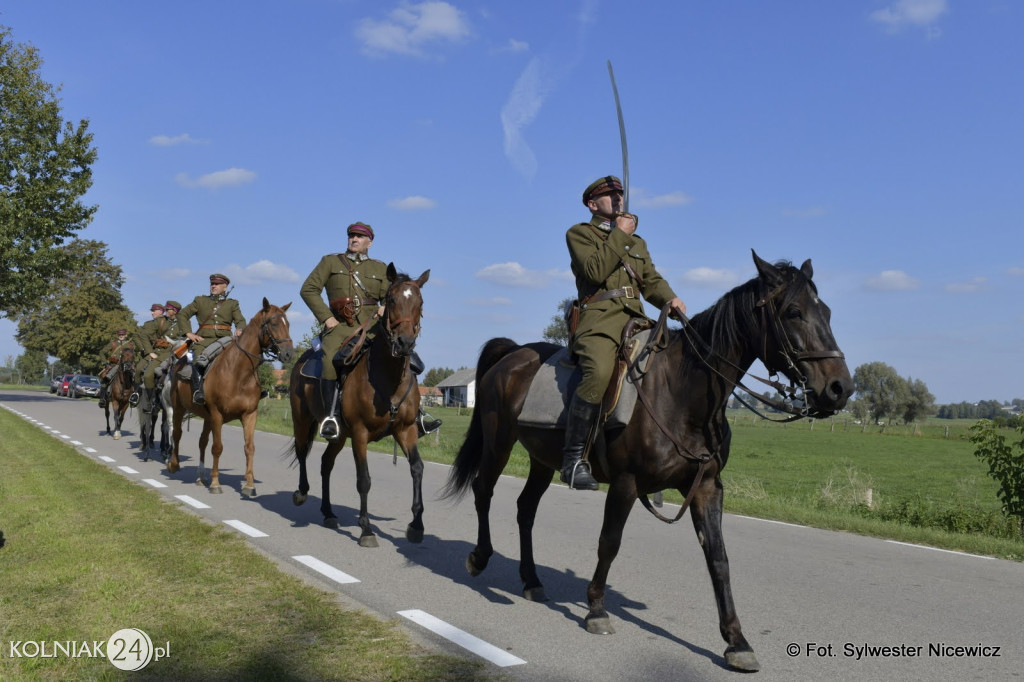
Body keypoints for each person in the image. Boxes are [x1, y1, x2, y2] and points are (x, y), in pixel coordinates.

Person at [562, 175, 687, 490]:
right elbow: (594, 271)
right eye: (610, 195)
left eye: (620, 194)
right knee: (599, 373)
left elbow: (650, 280)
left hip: (638, 320)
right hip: (599, 321)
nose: (619, 198)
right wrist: (619, 234)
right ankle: (573, 459)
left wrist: (669, 298)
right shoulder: (580, 233)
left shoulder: (637, 241)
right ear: (593, 204)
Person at [300, 221, 441, 440]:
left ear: (369, 242)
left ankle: (416, 415)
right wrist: (326, 318)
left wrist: (385, 306)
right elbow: (308, 289)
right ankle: (330, 417)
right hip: (340, 326)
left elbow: (392, 293)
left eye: (359, 236)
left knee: (406, 356)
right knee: (329, 360)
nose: (354, 239)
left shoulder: (379, 268)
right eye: (351, 236)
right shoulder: (330, 262)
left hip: (372, 325)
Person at [180, 274, 246, 405]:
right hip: (203, 340)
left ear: (225, 287)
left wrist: (240, 328)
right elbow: (182, 314)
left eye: (216, 284)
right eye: (212, 284)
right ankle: (198, 392)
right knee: (196, 360)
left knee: (245, 358)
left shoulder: (232, 303)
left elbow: (240, 320)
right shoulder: (200, 301)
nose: (213, 286)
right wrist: (189, 333)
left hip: (226, 340)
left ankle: (249, 390)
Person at [137, 300, 192, 409]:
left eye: (168, 309)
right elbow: (143, 334)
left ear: (175, 311)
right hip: (160, 353)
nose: (166, 311)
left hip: (176, 353)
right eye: (166, 309)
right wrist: (150, 352)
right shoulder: (161, 321)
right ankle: (150, 401)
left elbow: (187, 339)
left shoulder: (185, 322)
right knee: (147, 375)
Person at [130, 303, 167, 406]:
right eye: (152, 311)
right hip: (152, 352)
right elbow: (137, 336)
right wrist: (144, 349)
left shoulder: (169, 323)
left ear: (161, 311)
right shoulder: (148, 324)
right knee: (138, 369)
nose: (152, 313)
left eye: (154, 310)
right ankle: (136, 393)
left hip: (167, 352)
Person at [97, 328, 135, 409]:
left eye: (123, 335)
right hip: (115, 365)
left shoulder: (130, 345)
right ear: (117, 335)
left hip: (127, 365)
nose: (121, 336)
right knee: (106, 378)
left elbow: (133, 355)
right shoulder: (113, 343)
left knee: (135, 378)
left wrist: (132, 364)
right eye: (119, 335)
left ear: (126, 335)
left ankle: (133, 398)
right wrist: (105, 363)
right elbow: (102, 352)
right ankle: (102, 399)